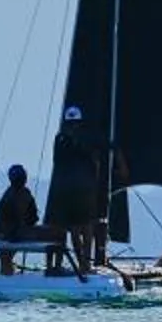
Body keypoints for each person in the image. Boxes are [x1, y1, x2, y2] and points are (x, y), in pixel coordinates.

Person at [45, 106, 101, 278]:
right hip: (84, 189)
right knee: (88, 228)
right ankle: (85, 265)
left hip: (64, 190)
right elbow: (96, 160)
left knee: (75, 229)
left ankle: (79, 264)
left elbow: (57, 161)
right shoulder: (87, 137)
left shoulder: (59, 138)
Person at [0, 161, 40, 274]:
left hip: (13, 234)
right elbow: (34, 217)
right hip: (17, 233)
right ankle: (7, 274)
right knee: (5, 255)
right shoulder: (25, 193)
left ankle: (6, 275)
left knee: (5, 255)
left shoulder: (10, 193)